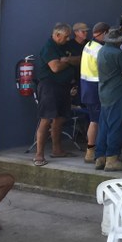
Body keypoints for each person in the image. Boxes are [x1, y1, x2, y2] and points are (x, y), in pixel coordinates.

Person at [33, 23, 81, 166]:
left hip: (64, 86)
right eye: (66, 37)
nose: (68, 39)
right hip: (49, 86)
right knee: (46, 119)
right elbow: (55, 67)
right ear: (57, 35)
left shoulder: (65, 46)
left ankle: (57, 150)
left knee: (60, 119)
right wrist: (68, 61)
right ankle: (39, 155)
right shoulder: (49, 47)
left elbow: (79, 59)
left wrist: (66, 60)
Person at [94, 27, 122, 171]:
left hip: (104, 94)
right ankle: (112, 158)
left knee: (104, 126)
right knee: (116, 126)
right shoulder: (119, 54)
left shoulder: (102, 51)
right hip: (118, 94)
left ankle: (100, 157)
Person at [79, 22, 109, 164]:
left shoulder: (88, 45)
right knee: (97, 121)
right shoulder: (100, 50)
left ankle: (91, 150)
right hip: (95, 89)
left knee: (93, 120)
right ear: (104, 33)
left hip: (86, 88)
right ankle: (92, 152)